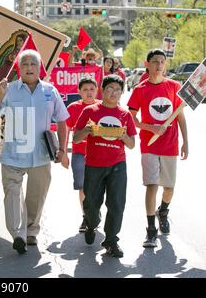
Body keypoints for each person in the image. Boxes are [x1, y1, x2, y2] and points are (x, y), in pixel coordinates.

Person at [0, 49, 69, 254]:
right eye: (24, 64)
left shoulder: (50, 91)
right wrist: (0, 95)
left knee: (36, 196)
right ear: (18, 68)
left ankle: (31, 231)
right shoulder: (8, 89)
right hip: (12, 154)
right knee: (13, 196)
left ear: (39, 67)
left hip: (41, 155)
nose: (29, 67)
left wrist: (62, 149)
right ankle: (18, 234)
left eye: (33, 64)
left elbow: (62, 121)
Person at [127, 49, 189, 248]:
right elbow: (132, 119)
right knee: (152, 184)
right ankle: (151, 229)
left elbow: (180, 115)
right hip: (149, 144)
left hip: (170, 144)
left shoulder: (174, 87)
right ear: (147, 64)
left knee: (169, 188)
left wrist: (185, 141)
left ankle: (163, 211)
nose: (159, 65)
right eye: (155, 61)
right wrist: (150, 127)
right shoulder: (140, 89)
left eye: (162, 62)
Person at [73, 74, 137, 258]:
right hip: (94, 164)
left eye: (118, 89)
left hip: (118, 164)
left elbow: (132, 144)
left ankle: (111, 240)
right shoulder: (90, 111)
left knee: (116, 204)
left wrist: (123, 136)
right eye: (110, 88)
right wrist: (87, 130)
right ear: (102, 89)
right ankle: (92, 223)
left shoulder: (125, 115)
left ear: (122, 92)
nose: (113, 93)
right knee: (91, 203)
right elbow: (76, 137)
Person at [65, 77, 99, 233]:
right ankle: (86, 216)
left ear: (97, 90)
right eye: (85, 90)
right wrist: (63, 151)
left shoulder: (102, 106)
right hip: (79, 153)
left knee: (98, 186)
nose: (89, 92)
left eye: (92, 89)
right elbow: (65, 130)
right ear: (79, 92)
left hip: (100, 153)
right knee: (83, 187)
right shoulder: (73, 108)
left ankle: (95, 211)